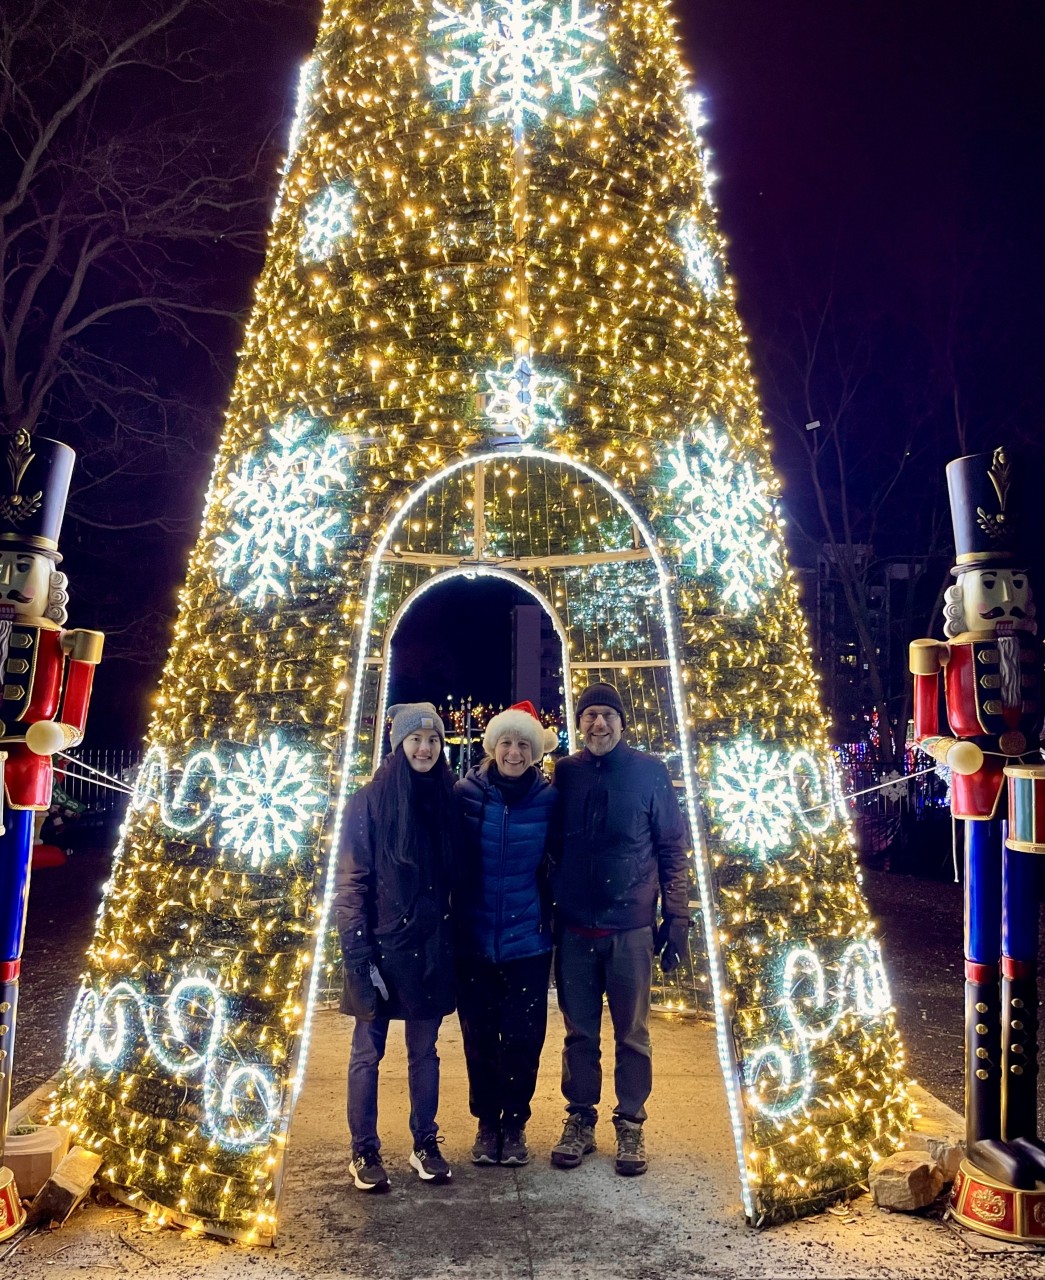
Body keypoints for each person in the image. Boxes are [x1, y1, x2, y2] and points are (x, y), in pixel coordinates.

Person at [549, 681, 691, 1177]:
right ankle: (580, 1119)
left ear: (622, 722)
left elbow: (673, 851)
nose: (598, 724)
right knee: (578, 1034)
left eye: (607, 715)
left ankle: (631, 1123)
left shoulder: (650, 773)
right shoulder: (564, 774)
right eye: (589, 716)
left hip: (630, 930)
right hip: (573, 931)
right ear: (579, 723)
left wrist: (676, 920)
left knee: (632, 1034)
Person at [333, 702, 457, 1192]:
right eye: (415, 740)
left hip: (430, 950)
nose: (424, 749)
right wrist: (360, 958)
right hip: (380, 949)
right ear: (399, 744)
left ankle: (425, 1142)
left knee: (424, 1052)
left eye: (432, 740)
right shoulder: (369, 802)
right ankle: (364, 1149)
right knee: (368, 1053)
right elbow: (352, 885)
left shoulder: (448, 799)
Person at [454, 700, 559, 1167]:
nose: (514, 753)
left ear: (535, 752)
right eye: (507, 743)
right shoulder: (466, 794)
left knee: (522, 1037)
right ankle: (486, 1121)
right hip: (474, 940)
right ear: (492, 747)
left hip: (527, 943)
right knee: (478, 1035)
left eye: (523, 745)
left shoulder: (549, 799)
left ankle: (514, 1123)